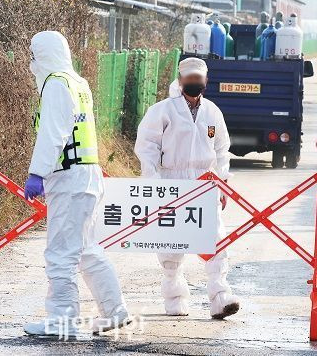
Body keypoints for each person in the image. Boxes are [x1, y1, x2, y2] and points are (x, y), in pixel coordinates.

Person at [23, 31, 129, 337]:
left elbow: (53, 133)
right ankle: (114, 311)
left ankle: (61, 321)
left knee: (61, 252)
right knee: (85, 249)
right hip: (87, 174)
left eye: (34, 54)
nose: (31, 61)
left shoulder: (56, 83)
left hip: (69, 177)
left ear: (44, 54)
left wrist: (37, 173)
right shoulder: (77, 82)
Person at [134, 57, 240, 319]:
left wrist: (223, 182)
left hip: (205, 182)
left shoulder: (213, 111)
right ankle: (175, 299)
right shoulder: (162, 110)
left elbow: (222, 149)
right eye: (189, 78)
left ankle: (221, 297)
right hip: (171, 181)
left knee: (215, 239)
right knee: (171, 245)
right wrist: (154, 184)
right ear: (180, 80)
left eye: (198, 78)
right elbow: (146, 147)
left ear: (205, 81)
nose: (194, 82)